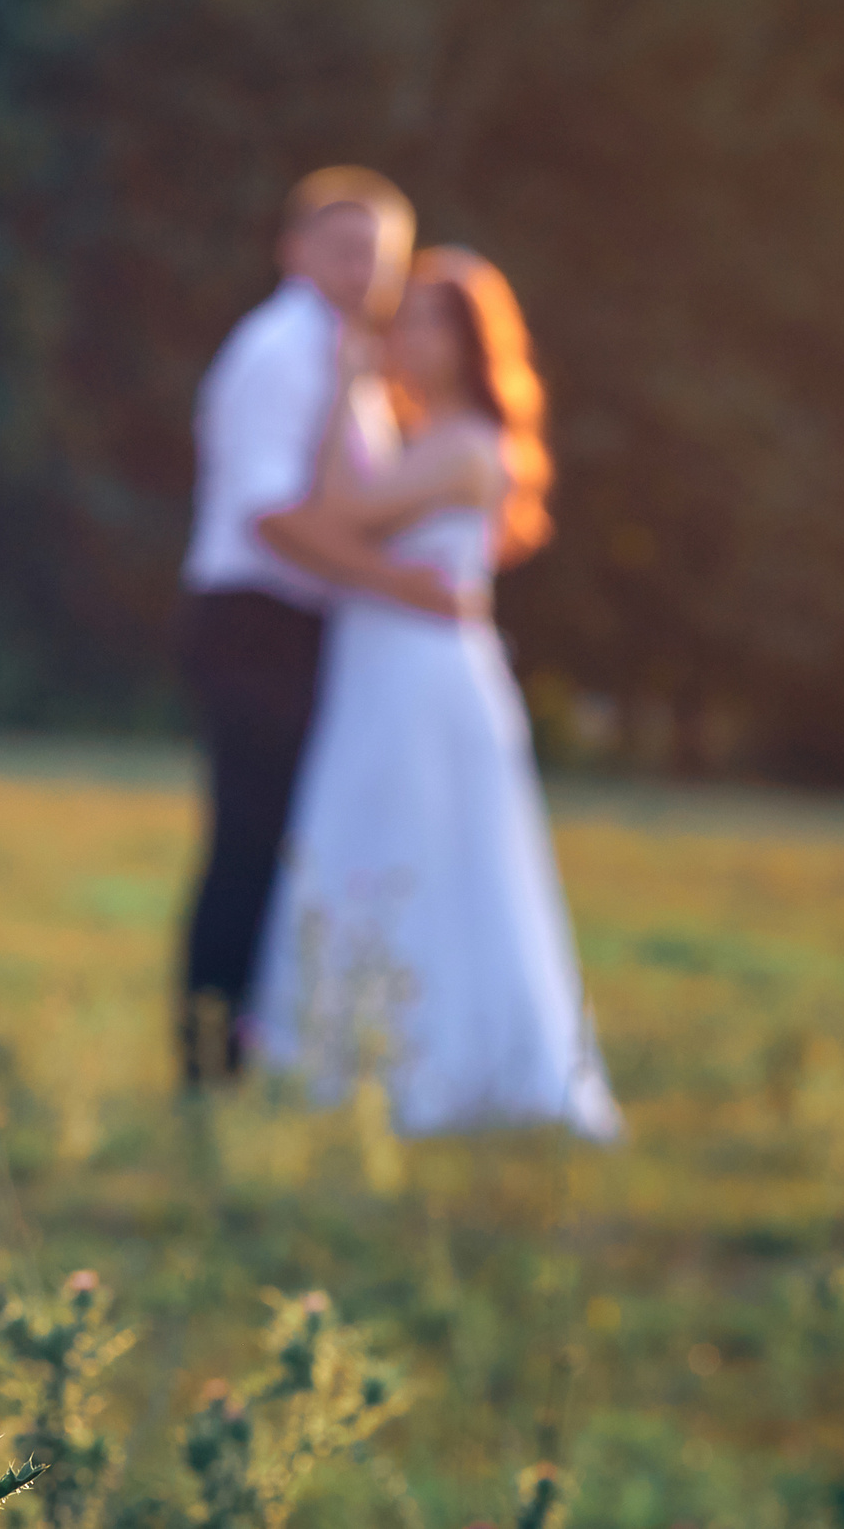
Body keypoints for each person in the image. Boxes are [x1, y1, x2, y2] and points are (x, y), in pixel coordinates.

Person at [249, 247, 621, 1139]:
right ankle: (348, 1052)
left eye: (422, 320)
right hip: (383, 663)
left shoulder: (466, 446)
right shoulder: (425, 438)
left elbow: (343, 507)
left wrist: (346, 384)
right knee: (365, 845)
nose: (401, 336)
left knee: (422, 858)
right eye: (401, 318)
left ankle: (431, 1066)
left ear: (466, 342)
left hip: (424, 681)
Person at [176, 169, 476, 1086]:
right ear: (293, 249)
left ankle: (272, 1050)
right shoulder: (281, 349)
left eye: (381, 258)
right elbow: (269, 515)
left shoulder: (352, 359)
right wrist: (397, 585)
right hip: (258, 619)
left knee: (294, 845)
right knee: (250, 845)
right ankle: (210, 1065)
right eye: (344, 250)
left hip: (315, 625)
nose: (363, 273)